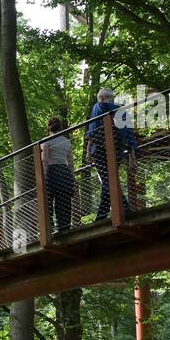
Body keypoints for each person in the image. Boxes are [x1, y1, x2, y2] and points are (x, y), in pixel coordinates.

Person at [85, 88, 138, 220]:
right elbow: (129, 134)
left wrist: (88, 151)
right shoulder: (123, 110)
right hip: (117, 150)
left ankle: (125, 208)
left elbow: (93, 130)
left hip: (100, 150)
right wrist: (132, 157)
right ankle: (101, 217)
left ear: (101, 98)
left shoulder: (98, 107)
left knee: (108, 181)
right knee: (108, 181)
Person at [40, 116, 76, 234]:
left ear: (48, 127)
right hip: (64, 172)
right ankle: (64, 228)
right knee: (64, 201)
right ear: (60, 127)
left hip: (52, 171)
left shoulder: (46, 142)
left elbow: (45, 160)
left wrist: (44, 177)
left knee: (48, 201)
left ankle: (49, 229)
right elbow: (70, 162)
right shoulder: (66, 142)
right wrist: (72, 177)